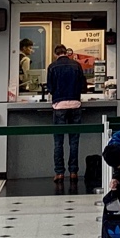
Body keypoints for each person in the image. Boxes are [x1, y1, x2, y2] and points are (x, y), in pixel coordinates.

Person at [45, 44, 88, 186]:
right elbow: (83, 86)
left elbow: (50, 88)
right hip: (75, 105)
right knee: (74, 141)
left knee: (58, 141)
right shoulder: (76, 65)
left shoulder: (52, 67)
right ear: (67, 53)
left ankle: (59, 172)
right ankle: (74, 172)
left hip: (59, 106)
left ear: (55, 54)